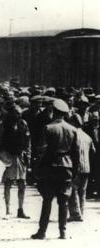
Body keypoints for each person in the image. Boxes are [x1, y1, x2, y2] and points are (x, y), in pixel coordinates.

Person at [32, 99, 80, 240]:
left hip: (50, 166)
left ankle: (42, 231)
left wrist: (37, 169)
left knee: (47, 200)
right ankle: (62, 232)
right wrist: (75, 171)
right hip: (67, 167)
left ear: (54, 112)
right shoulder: (72, 130)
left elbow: (41, 150)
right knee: (63, 201)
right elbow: (76, 153)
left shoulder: (48, 128)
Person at [0, 105, 31, 218]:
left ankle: (20, 209)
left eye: (20, 113)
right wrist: (1, 157)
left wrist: (28, 155)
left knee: (22, 184)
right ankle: (7, 209)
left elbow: (28, 141)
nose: (18, 115)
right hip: (8, 156)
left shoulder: (23, 124)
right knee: (8, 183)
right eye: (16, 113)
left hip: (20, 157)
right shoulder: (4, 125)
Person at [68, 115, 95, 222]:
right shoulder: (87, 136)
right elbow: (93, 151)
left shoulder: (72, 135)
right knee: (82, 191)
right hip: (86, 167)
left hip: (75, 167)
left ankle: (75, 214)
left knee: (73, 190)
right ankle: (81, 212)